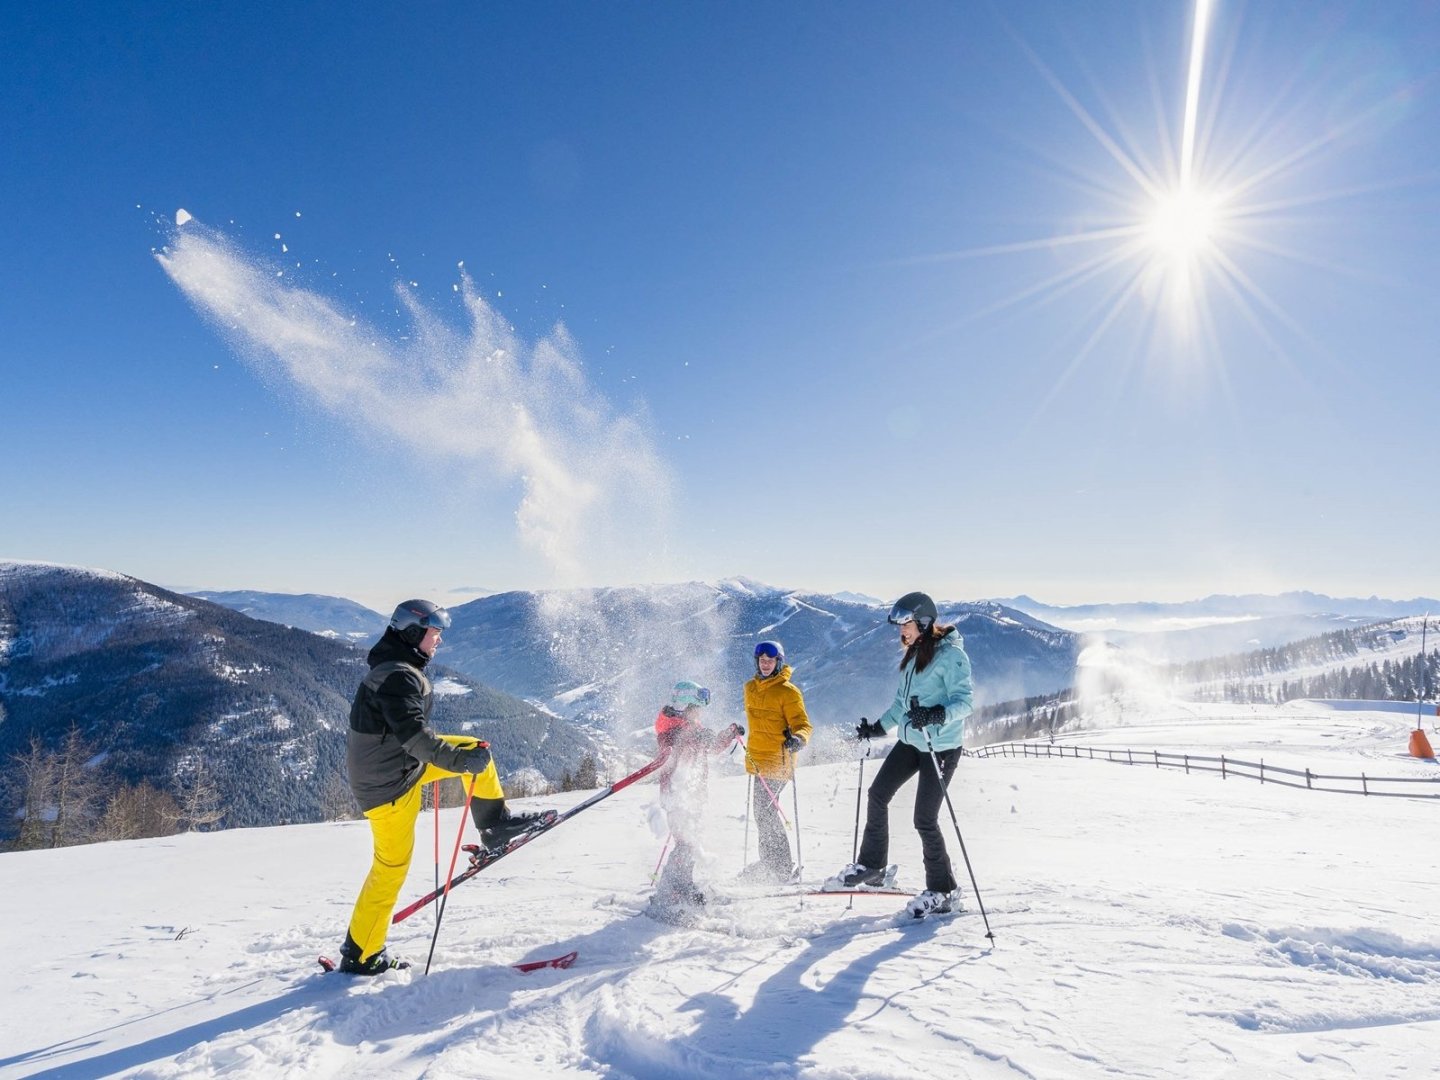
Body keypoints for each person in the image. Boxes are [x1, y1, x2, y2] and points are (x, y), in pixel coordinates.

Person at [339, 599, 554, 975]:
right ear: (412, 633)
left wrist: (461, 759)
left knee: (477, 752)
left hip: (399, 766)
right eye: (434, 633)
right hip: (389, 786)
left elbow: (413, 741)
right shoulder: (397, 676)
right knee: (390, 868)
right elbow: (415, 738)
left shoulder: (399, 668)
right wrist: (454, 762)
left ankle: (495, 826)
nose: (438, 641)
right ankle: (361, 954)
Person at [827, 592, 973, 917]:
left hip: (941, 746)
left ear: (922, 621)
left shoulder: (952, 656)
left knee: (924, 818)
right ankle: (873, 866)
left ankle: (944, 889)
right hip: (911, 740)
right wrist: (877, 728)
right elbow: (900, 706)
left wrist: (935, 715)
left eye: (905, 624)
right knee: (877, 794)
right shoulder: (913, 654)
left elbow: (965, 703)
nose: (900, 632)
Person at [650, 680, 742, 915]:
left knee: (691, 841)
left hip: (693, 795)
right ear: (686, 707)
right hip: (678, 796)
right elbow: (673, 746)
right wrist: (696, 736)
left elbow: (710, 746)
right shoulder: (671, 730)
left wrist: (729, 733)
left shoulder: (691, 728)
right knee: (686, 843)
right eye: (697, 708)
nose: (700, 713)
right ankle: (672, 891)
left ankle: (682, 885)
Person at [740, 640, 811, 882]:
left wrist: (799, 739)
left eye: (770, 661)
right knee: (763, 814)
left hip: (778, 761)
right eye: (762, 661)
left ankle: (779, 867)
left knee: (765, 813)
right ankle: (770, 863)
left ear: (778, 662)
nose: (766, 664)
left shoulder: (788, 691)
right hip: (757, 760)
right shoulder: (750, 687)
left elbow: (802, 724)